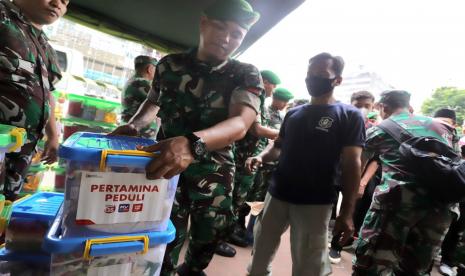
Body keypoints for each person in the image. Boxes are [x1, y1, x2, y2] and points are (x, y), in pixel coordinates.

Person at [111, 1, 261, 275]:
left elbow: (241, 122)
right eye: (220, 27)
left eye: (237, 34)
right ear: (204, 22)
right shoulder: (169, 65)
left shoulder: (244, 73)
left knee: (211, 234)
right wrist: (134, 125)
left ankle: (192, 270)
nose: (227, 39)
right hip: (166, 167)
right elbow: (152, 102)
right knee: (164, 235)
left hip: (215, 170)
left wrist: (193, 142)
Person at [246, 52, 365, 276]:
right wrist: (261, 156)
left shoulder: (349, 115)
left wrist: (347, 212)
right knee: (260, 254)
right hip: (277, 195)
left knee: (309, 266)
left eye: (321, 74)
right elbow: (277, 147)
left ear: (337, 80)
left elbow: (352, 164)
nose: (313, 79)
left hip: (315, 203)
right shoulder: (293, 113)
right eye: (310, 74)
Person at [353, 91, 459, 275]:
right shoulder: (444, 128)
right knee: (414, 268)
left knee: (372, 264)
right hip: (441, 209)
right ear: (408, 106)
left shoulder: (379, 130)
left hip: (396, 208)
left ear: (383, 108)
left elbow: (358, 166)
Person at [0, 0, 67, 200]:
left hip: (22, 149)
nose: (57, 4)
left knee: (5, 206)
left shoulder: (44, 45)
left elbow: (47, 93)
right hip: (2, 140)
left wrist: (53, 136)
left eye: (64, 2)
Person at [216, 70, 281, 256]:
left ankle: (226, 233)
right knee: (233, 198)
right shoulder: (254, 98)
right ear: (265, 82)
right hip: (243, 158)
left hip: (250, 159)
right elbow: (256, 129)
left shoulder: (260, 101)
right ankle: (217, 239)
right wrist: (283, 134)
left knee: (240, 199)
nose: (273, 90)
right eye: (272, 85)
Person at [329, 90, 379, 264]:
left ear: (373, 107)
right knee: (329, 207)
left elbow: (375, 160)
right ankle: (322, 240)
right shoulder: (342, 122)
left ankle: (337, 246)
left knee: (351, 211)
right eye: (358, 105)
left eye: (367, 106)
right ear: (351, 104)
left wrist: (362, 183)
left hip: (360, 177)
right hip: (335, 173)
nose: (362, 109)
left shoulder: (375, 130)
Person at [242, 87, 295, 246]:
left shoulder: (283, 115)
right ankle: (244, 230)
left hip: (276, 164)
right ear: (275, 99)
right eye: (282, 101)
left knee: (264, 200)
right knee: (252, 197)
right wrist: (280, 135)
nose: (284, 104)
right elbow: (260, 132)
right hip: (262, 161)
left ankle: (254, 232)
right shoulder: (263, 111)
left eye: (287, 102)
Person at [431, 108, 463, 276]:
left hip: (456, 192)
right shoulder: (428, 135)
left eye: (446, 123)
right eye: (439, 122)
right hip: (431, 194)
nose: (442, 126)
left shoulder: (457, 140)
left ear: (454, 124)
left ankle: (447, 260)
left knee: (456, 228)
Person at [121, 55, 159, 138]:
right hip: (139, 133)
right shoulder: (142, 83)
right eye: (156, 68)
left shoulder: (132, 80)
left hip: (130, 128)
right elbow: (158, 103)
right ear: (149, 69)